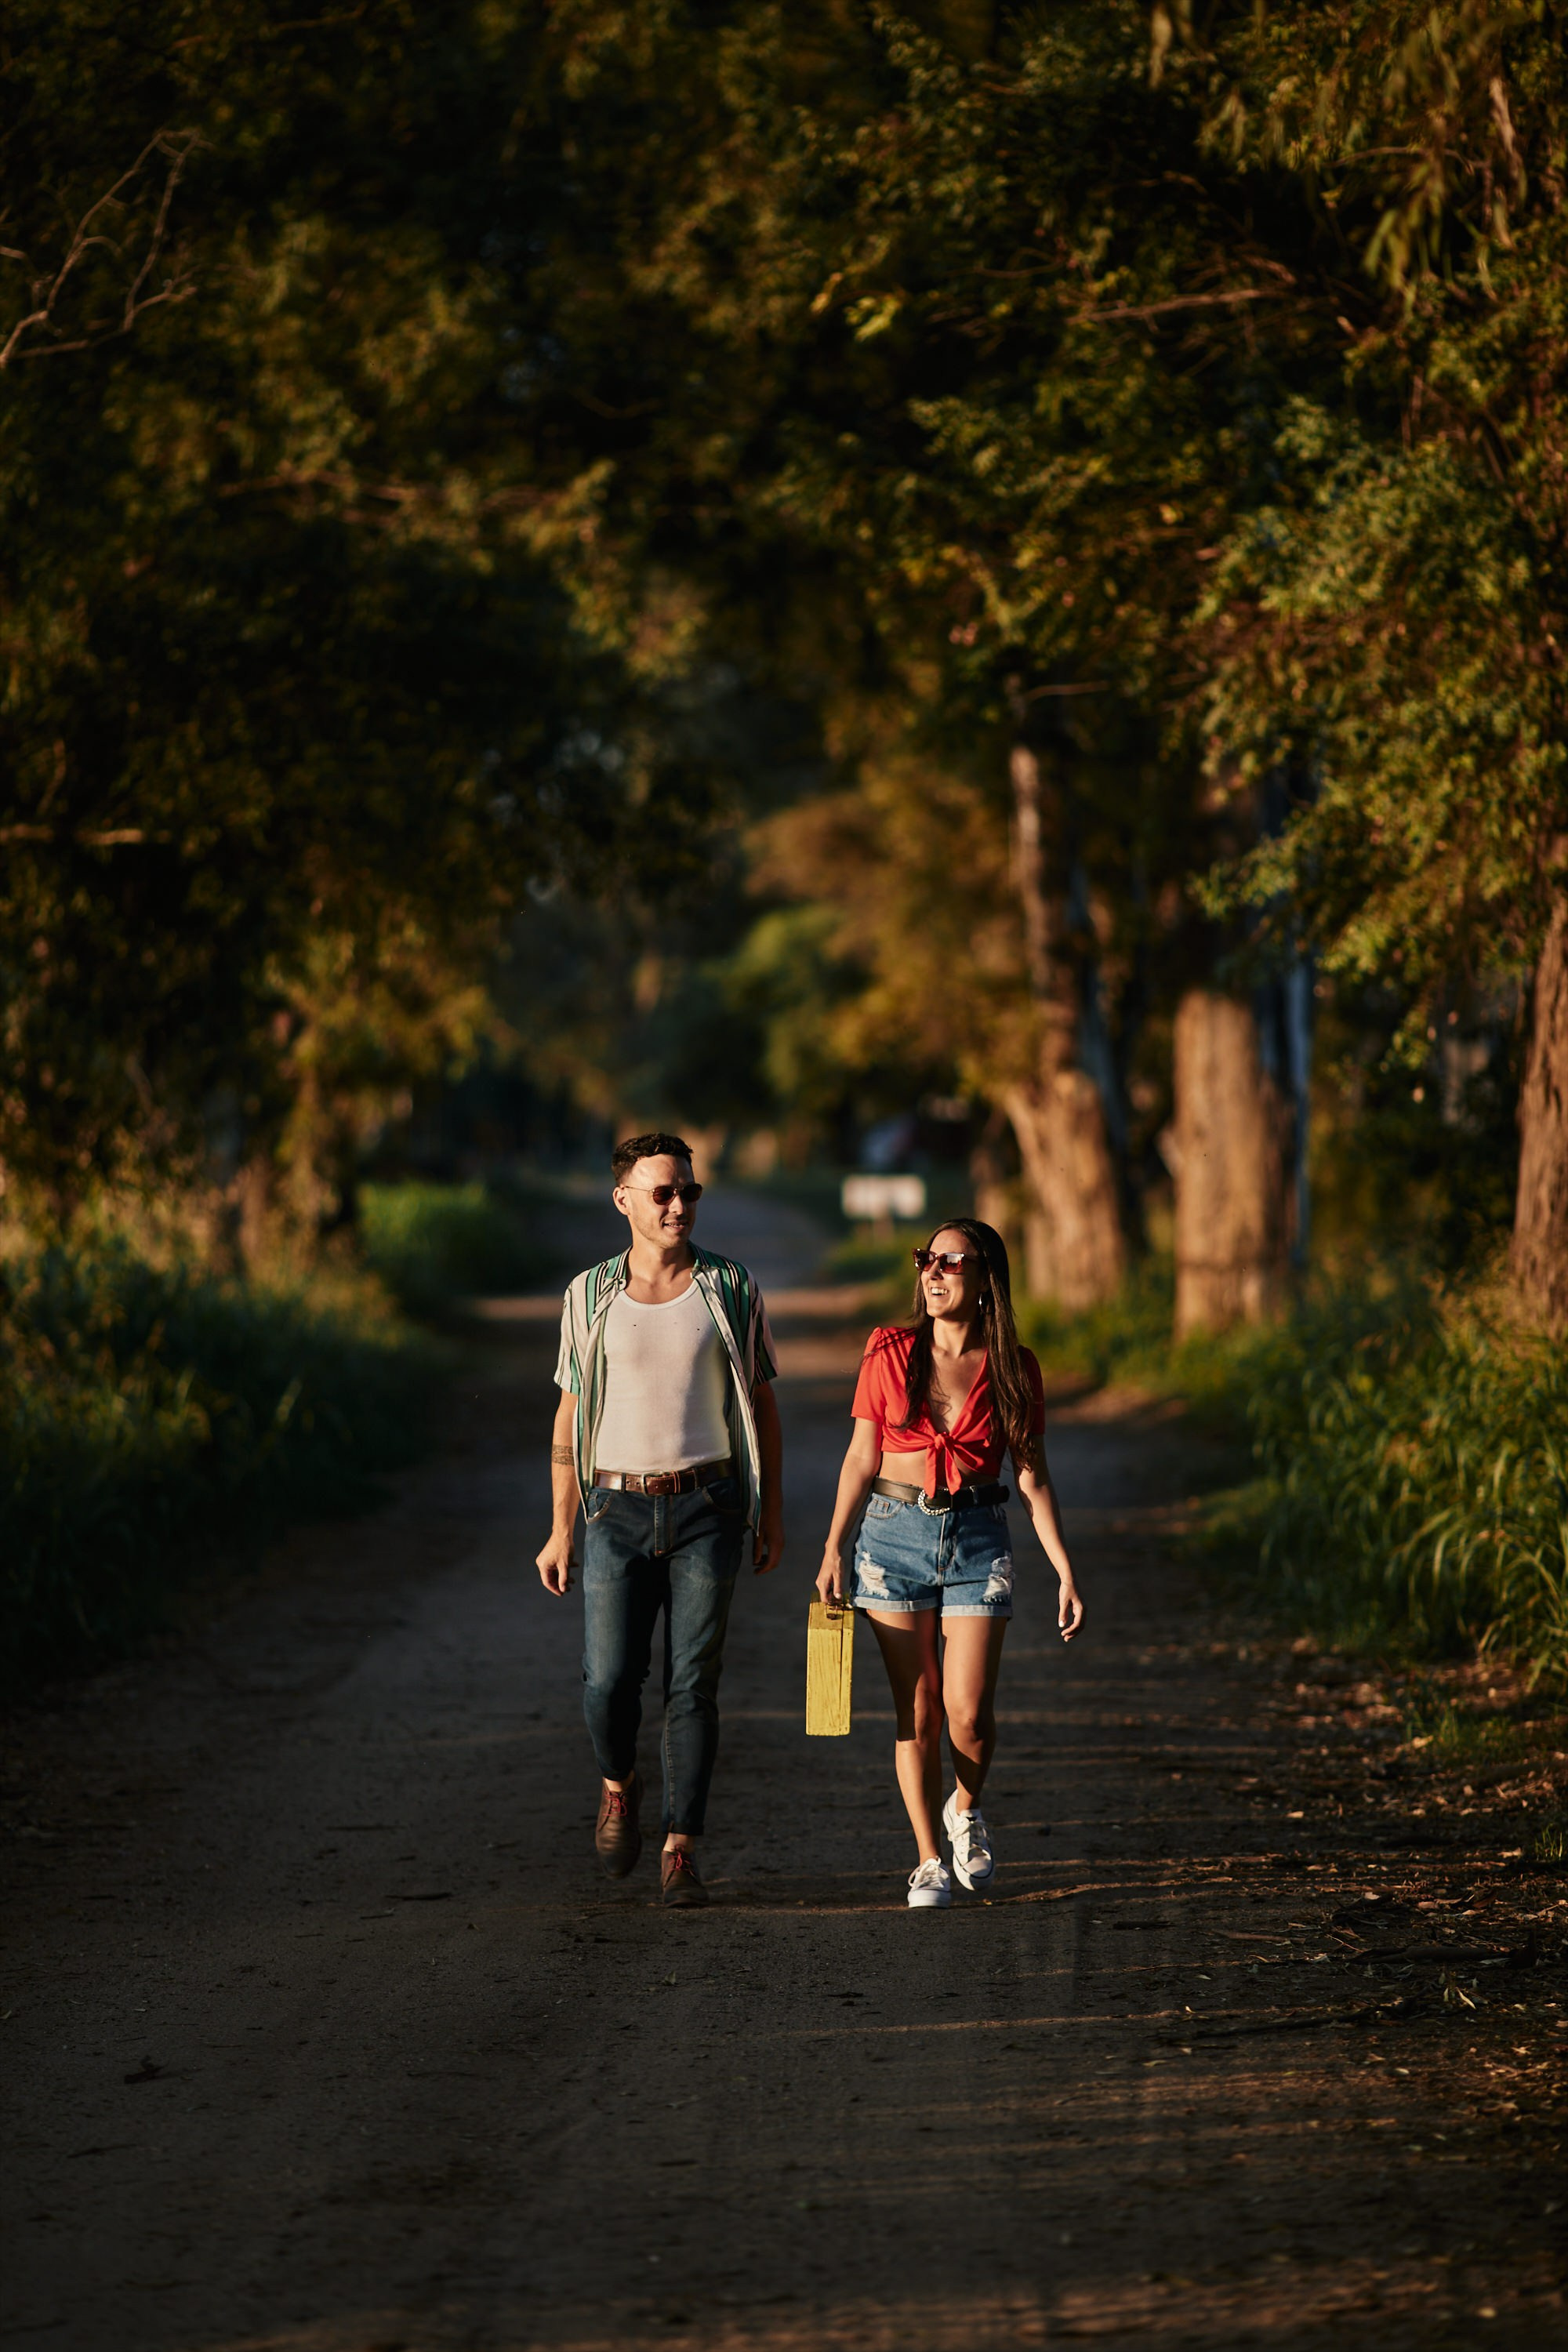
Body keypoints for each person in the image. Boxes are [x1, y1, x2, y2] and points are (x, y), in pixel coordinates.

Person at [537, 1132, 785, 1907]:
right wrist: (560, 1526)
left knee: (692, 1683)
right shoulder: (588, 1295)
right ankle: (619, 1784)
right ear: (624, 1201)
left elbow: (764, 1404)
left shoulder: (730, 1287)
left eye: (688, 1191)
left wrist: (767, 1508)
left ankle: (680, 1848)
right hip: (613, 1506)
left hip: (708, 1506)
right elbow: (568, 1414)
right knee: (607, 1681)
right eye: (661, 1193)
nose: (678, 1204)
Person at [815, 1218, 1083, 1908]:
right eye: (925, 1259)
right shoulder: (889, 1351)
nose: (932, 1273)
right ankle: (928, 1859)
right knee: (919, 1711)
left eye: (950, 1262)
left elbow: (1033, 1474)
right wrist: (833, 1546)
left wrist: (1063, 1568)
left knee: (969, 1716)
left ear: (986, 1279)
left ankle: (964, 1809)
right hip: (890, 1537)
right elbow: (860, 1456)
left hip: (977, 1538)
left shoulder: (1015, 1367)